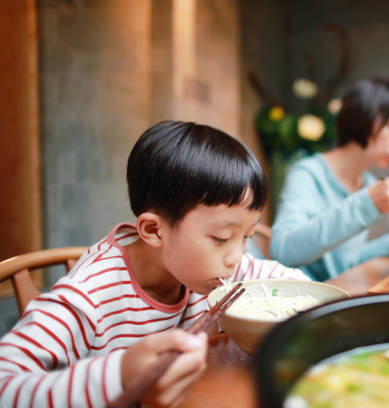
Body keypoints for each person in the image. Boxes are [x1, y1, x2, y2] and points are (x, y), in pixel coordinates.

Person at [0, 121, 308, 407]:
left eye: (247, 237)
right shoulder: (89, 295)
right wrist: (118, 376)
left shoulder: (216, 269)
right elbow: (5, 386)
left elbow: (290, 285)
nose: (237, 257)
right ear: (154, 230)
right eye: (221, 237)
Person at [270, 78, 389, 281]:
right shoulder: (307, 174)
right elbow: (283, 251)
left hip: (341, 294)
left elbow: (343, 264)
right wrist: (368, 204)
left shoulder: (367, 183)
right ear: (362, 117)